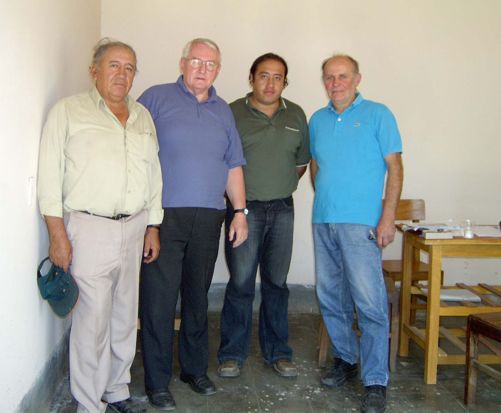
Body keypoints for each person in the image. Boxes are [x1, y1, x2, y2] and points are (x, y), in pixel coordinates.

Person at [37, 38, 163, 413]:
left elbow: (154, 175)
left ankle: (117, 390)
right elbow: (49, 179)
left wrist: (153, 225)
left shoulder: (142, 116)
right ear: (94, 71)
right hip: (89, 229)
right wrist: (57, 235)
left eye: (129, 68)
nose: (122, 74)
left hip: (135, 227)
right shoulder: (67, 112)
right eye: (114, 66)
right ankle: (90, 404)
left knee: (124, 316)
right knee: (92, 322)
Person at [138, 38, 248, 411]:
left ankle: (194, 369)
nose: (203, 69)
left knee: (198, 296)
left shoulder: (223, 110)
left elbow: (233, 164)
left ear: (219, 69)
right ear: (183, 62)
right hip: (164, 217)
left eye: (210, 63)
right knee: (158, 300)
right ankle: (156, 381)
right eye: (197, 61)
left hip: (209, 216)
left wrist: (240, 212)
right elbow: (134, 153)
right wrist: (146, 217)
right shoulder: (155, 98)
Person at [309, 54, 403, 413]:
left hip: (362, 223)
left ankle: (376, 380)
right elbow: (316, 164)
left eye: (343, 76)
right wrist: (326, 198)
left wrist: (387, 217)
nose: (336, 83)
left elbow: (395, 167)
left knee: (369, 303)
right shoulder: (317, 120)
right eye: (329, 77)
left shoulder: (379, 114)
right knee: (331, 296)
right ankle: (346, 360)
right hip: (324, 221)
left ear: (357, 78)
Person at [217, 53, 310, 379]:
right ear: (251, 78)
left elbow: (301, 164)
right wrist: (241, 204)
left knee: (277, 284)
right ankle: (232, 354)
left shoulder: (296, 114)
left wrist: (277, 185)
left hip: (283, 209)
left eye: (278, 77)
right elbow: (222, 163)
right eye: (264, 76)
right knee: (241, 283)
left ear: (285, 82)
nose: (270, 84)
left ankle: (278, 352)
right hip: (245, 211)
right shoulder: (231, 113)